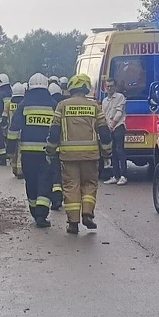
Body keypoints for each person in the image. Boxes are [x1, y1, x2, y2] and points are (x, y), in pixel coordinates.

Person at [46, 74, 113, 235]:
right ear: (86, 88)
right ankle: (88, 213)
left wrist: (50, 150)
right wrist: (107, 151)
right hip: (91, 155)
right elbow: (104, 132)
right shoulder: (95, 107)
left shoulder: (62, 106)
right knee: (89, 184)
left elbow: (54, 131)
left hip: (68, 157)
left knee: (71, 187)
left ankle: (73, 223)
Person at [10, 74, 57, 228]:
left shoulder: (24, 104)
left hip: (28, 153)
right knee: (45, 181)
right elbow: (58, 129)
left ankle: (34, 209)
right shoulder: (53, 104)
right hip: (47, 153)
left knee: (31, 182)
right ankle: (41, 215)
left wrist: (10, 150)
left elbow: (14, 127)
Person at [101, 78, 128, 185]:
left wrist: (112, 125)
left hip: (119, 126)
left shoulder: (120, 97)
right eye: (107, 86)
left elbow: (119, 112)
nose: (109, 88)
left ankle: (123, 175)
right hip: (109, 127)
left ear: (115, 87)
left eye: (111, 86)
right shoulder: (104, 101)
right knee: (112, 152)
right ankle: (115, 175)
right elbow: (104, 114)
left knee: (120, 150)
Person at [46, 81, 66, 209]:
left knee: (51, 174)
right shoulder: (63, 105)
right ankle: (59, 198)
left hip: (52, 145)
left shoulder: (49, 105)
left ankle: (54, 199)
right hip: (63, 146)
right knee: (60, 173)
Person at [0, 74, 13, 166]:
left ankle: (2, 159)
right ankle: (10, 157)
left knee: (0, 140)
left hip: (1, 120)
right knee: (8, 139)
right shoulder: (11, 93)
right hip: (10, 120)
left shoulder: (0, 95)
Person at [6, 82, 26, 179]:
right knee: (20, 152)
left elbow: (4, 117)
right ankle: (20, 170)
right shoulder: (24, 103)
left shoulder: (9, 103)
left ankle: (14, 169)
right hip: (22, 131)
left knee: (14, 151)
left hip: (11, 130)